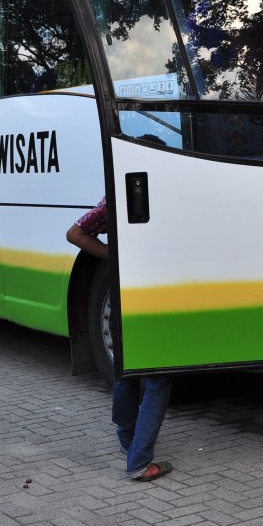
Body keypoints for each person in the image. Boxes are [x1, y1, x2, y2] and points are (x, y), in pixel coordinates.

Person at [66, 197, 173, 482]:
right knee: (158, 377)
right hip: (151, 296)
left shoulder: (115, 195)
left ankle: (127, 437)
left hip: (121, 296)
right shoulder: (168, 194)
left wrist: (112, 254)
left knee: (126, 370)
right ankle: (139, 461)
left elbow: (74, 233)